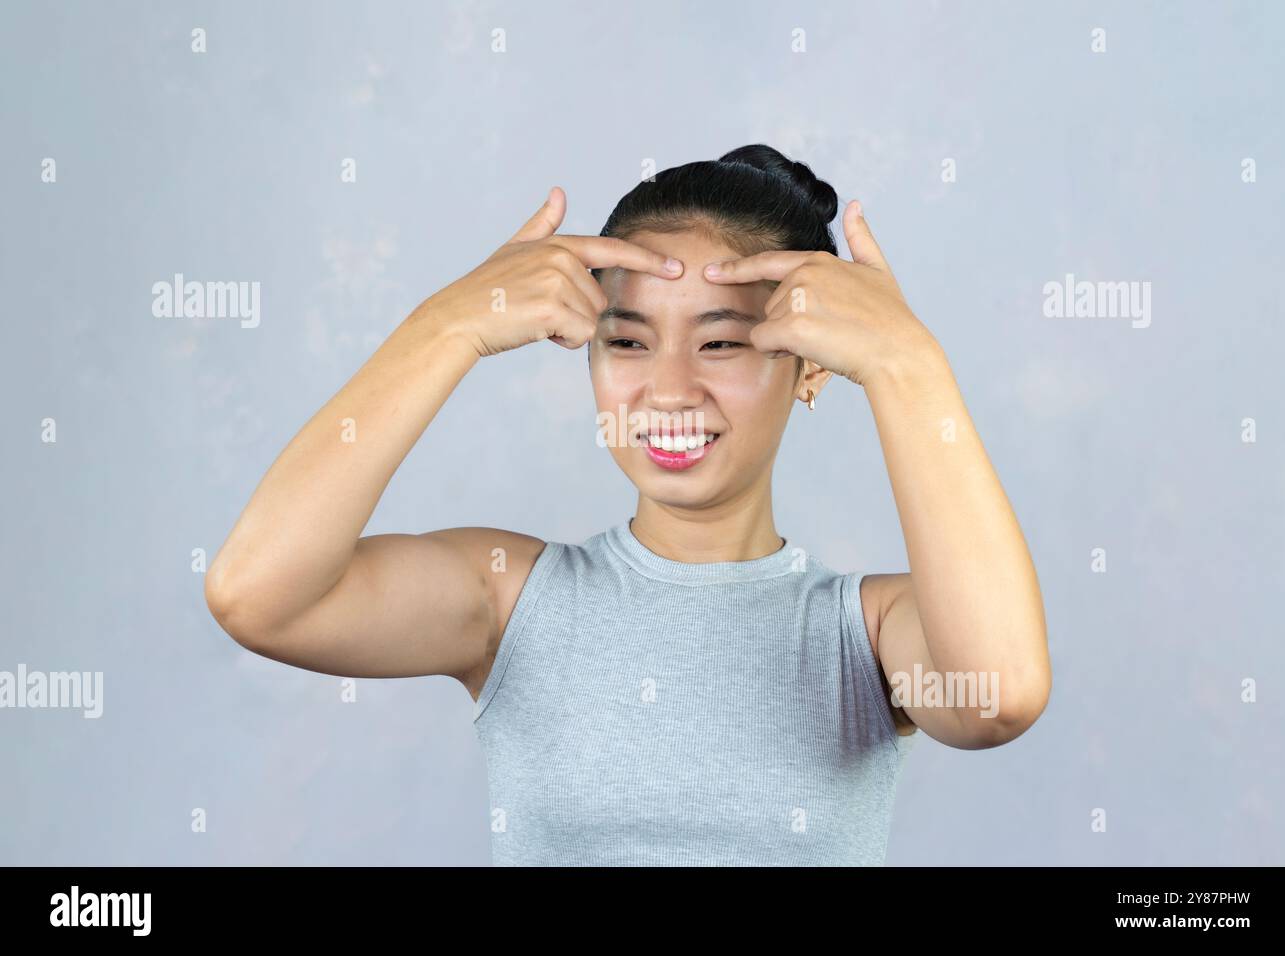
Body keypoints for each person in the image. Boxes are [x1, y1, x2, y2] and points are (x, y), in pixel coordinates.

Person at [205, 144, 1051, 866]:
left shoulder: (870, 632)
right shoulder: (507, 600)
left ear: (813, 365)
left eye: (720, 341)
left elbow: (998, 697)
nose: (669, 389)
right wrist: (448, 324)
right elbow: (260, 595)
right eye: (628, 341)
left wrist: (910, 364)